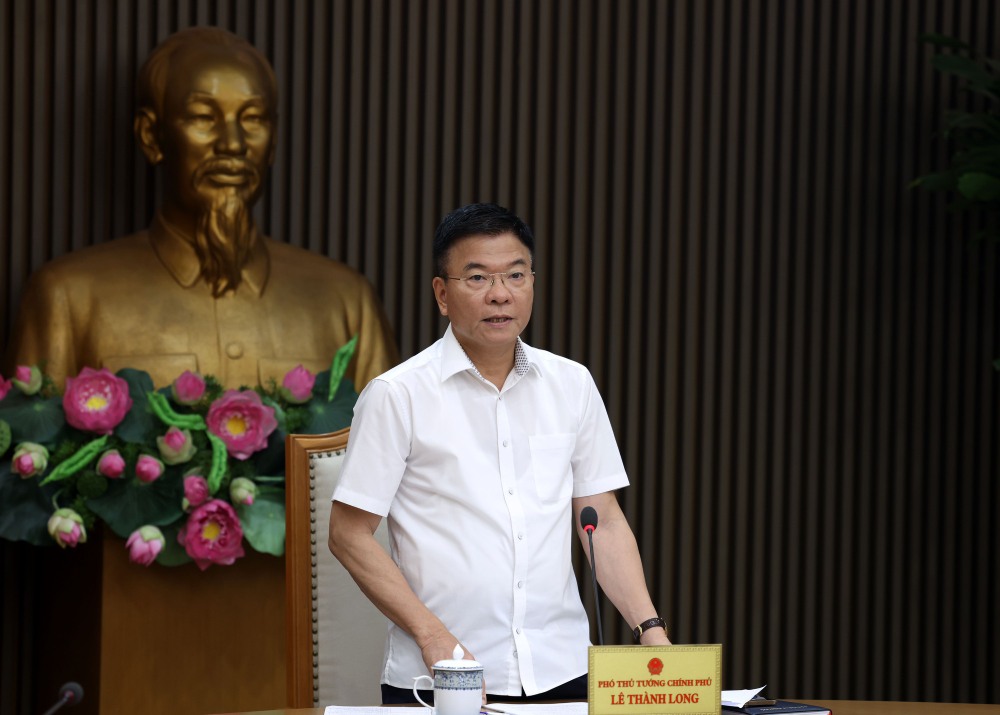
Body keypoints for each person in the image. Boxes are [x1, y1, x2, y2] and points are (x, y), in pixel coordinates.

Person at [328, 202, 670, 705]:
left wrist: (649, 629)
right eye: (478, 278)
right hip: (445, 675)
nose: (500, 294)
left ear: (532, 282)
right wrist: (432, 636)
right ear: (442, 294)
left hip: (563, 670)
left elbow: (602, 519)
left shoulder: (572, 384)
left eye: (515, 275)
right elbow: (348, 534)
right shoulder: (397, 395)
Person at [4, 27, 397, 389]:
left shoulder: (347, 303)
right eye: (203, 117)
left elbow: (396, 443)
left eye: (253, 118)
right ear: (151, 135)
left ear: (273, 140)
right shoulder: (67, 298)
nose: (233, 144)